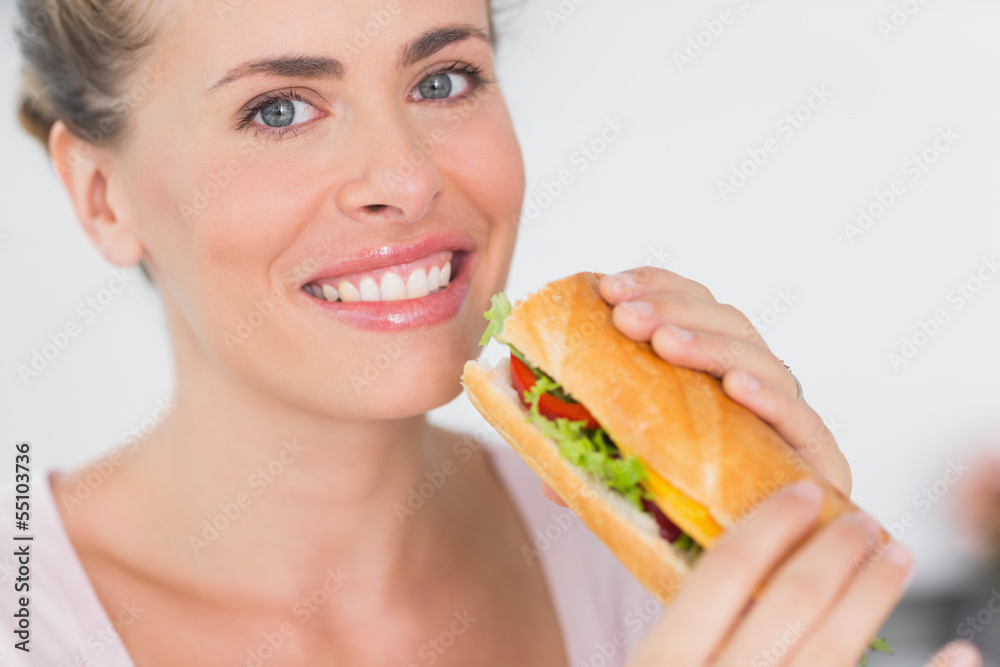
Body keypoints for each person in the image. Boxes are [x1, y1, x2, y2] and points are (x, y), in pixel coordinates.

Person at [3, 0, 979, 664]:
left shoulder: (641, 566)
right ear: (100, 194)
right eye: (279, 108)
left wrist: (783, 566)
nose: (407, 176)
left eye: (442, 80)